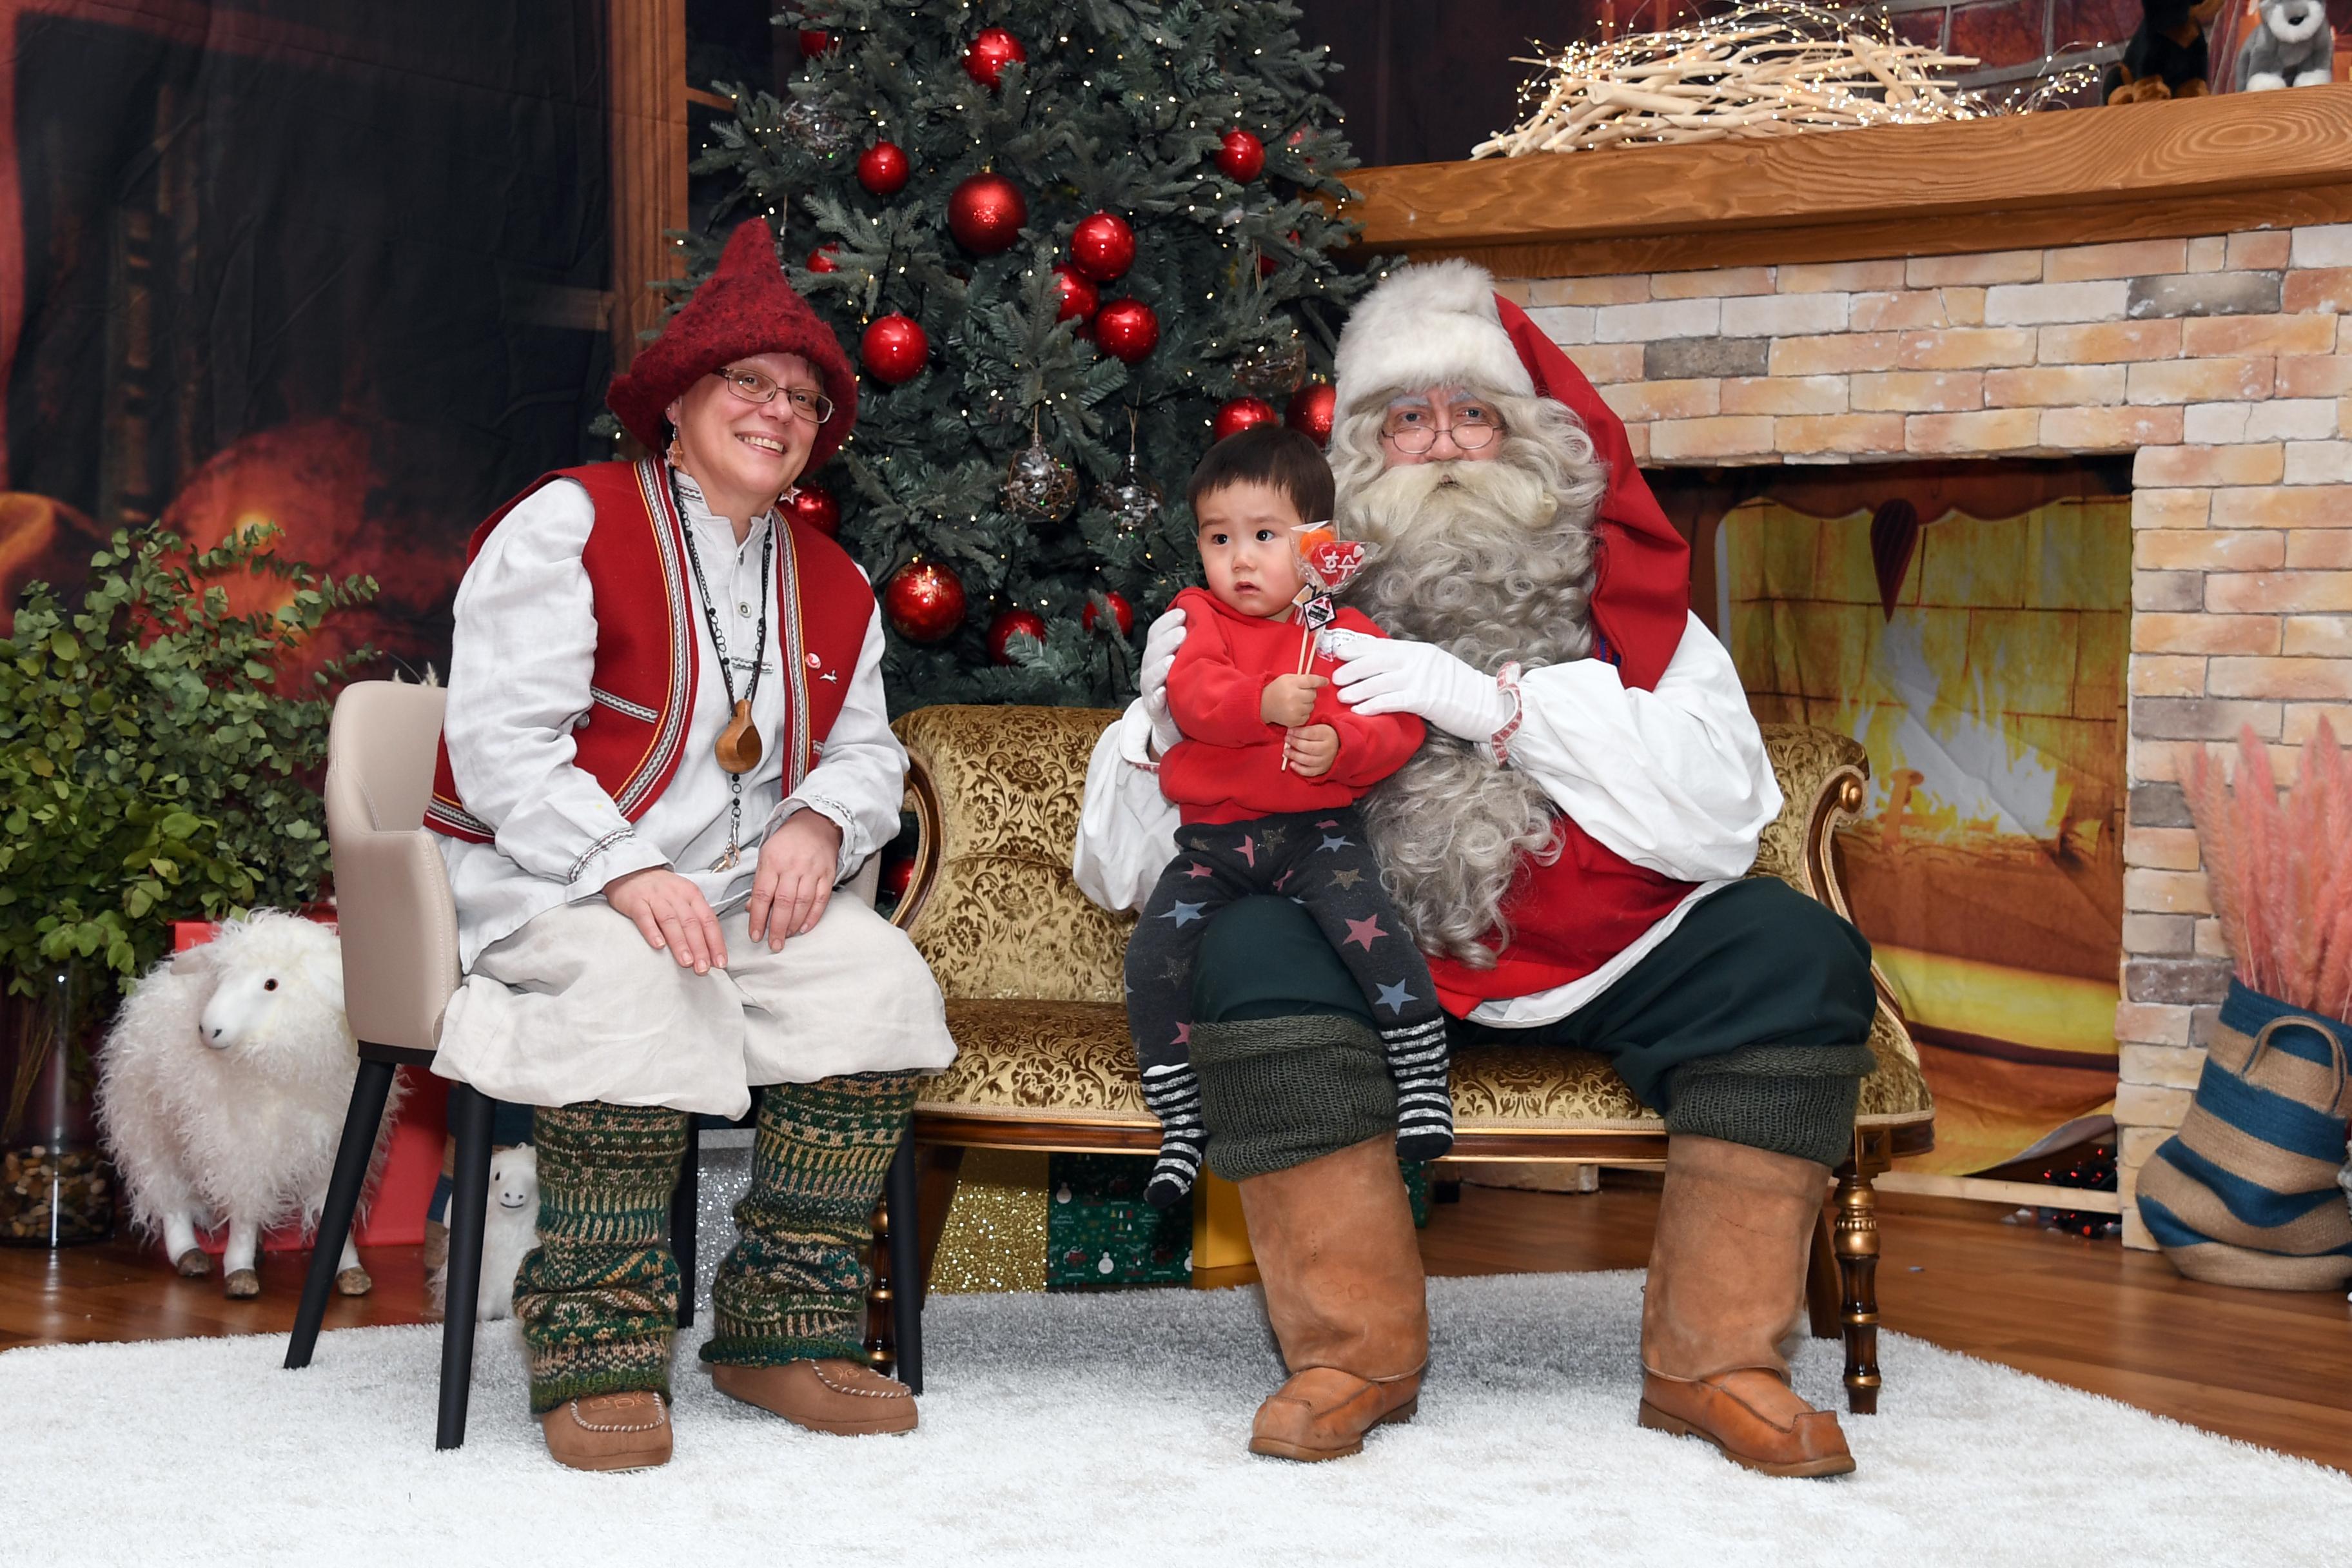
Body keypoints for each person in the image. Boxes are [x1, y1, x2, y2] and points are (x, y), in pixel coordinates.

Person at [1075, 259, 1877, 1476]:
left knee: (1795, 950)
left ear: (1534, 445)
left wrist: (1488, 702)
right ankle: (1352, 1351)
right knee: (1242, 946)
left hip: (1606, 954)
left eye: (1474, 413)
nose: (1442, 443)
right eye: (1406, 417)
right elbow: (1117, 869)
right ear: (1349, 461)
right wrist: (1170, 718)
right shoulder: (1248, 617)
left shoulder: (1635, 606)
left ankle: (1716, 1361)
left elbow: (1720, 821)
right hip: (1361, 947)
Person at [426, 219, 956, 1472]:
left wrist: (823, 815)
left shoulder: (832, 579)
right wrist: (626, 867)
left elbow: (871, 752)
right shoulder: (568, 522)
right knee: (631, 980)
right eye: (751, 385)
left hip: (737, 900)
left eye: (804, 400)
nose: (778, 413)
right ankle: (598, 1345)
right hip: (561, 880)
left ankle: (782, 1324)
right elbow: (502, 743)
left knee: (877, 982)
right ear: (679, 400)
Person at [1122, 427, 1446, 1212]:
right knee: (1153, 956)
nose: (1239, 558)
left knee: (1370, 932)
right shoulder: (1199, 616)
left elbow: (1397, 728)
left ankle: (1423, 1078)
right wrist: (1258, 704)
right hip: (1215, 842)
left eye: (1264, 536)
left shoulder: (1344, 634)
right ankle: (1181, 1121)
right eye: (1219, 537)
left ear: (1315, 546)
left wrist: (1339, 744)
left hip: (1316, 835)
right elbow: (1192, 699)